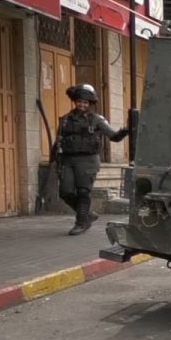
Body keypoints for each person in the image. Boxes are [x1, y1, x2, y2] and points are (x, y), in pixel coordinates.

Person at [57, 84, 129, 235]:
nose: (82, 105)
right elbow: (59, 140)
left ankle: (81, 222)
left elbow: (114, 136)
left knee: (83, 192)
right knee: (65, 192)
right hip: (68, 159)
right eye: (79, 101)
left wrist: (127, 129)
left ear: (90, 104)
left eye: (85, 102)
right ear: (75, 101)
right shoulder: (65, 119)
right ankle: (88, 214)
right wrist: (55, 160)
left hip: (88, 160)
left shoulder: (96, 120)